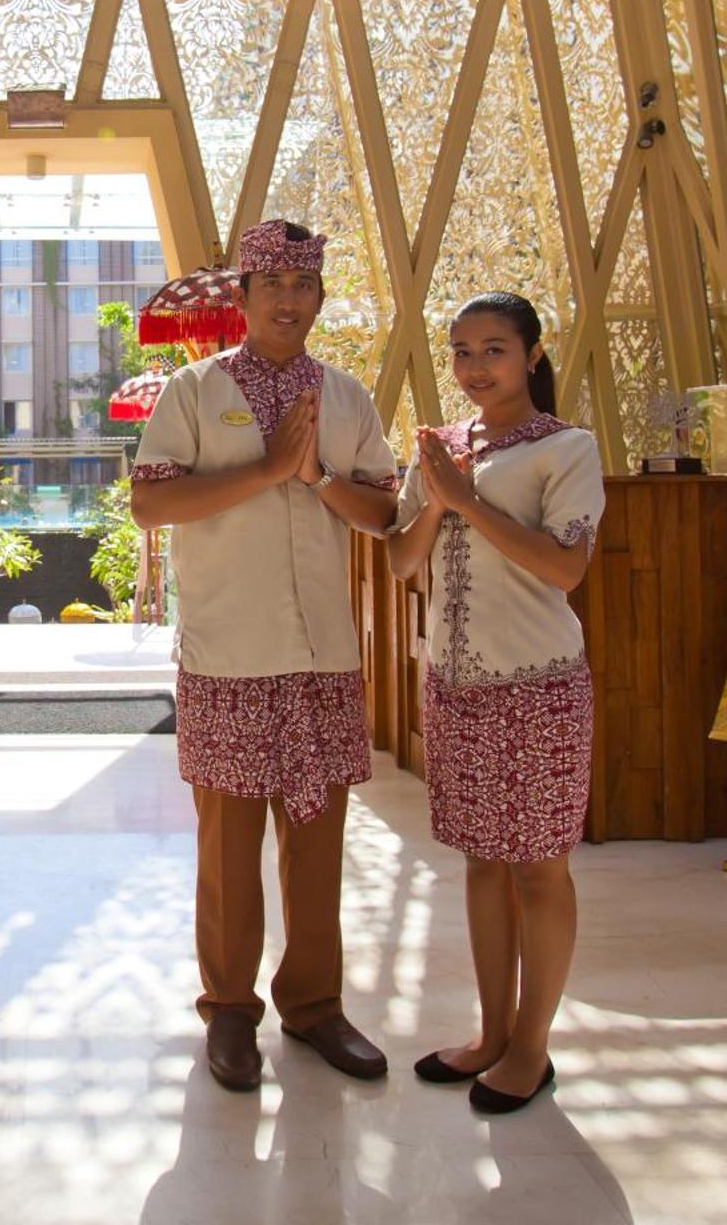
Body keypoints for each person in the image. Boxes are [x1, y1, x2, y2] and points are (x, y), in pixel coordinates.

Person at [130, 219, 400, 1092]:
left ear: (319, 297)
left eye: (303, 285)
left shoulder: (346, 398)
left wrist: (316, 477)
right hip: (230, 654)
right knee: (228, 848)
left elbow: (385, 514)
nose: (288, 300)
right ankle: (230, 1009)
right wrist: (268, 468)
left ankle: (315, 1005)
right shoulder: (194, 390)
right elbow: (150, 505)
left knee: (318, 845)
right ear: (242, 297)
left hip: (322, 655)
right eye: (272, 285)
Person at [385, 292, 605, 1115]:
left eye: (494, 350)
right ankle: (491, 1033)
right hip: (457, 687)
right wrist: (439, 495)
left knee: (539, 870)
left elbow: (566, 568)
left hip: (539, 687)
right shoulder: (439, 450)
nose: (475, 367)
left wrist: (468, 500)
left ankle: (532, 1047)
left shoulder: (567, 448)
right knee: (482, 861)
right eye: (462, 351)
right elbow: (403, 560)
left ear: (532, 356)